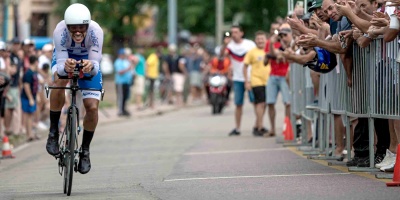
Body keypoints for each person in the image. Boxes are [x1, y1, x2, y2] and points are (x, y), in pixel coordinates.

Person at [45, 3, 104, 175]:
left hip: (89, 59)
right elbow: (61, 65)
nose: (77, 31)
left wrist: (89, 66)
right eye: (73, 28)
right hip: (66, 57)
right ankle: (53, 132)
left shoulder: (96, 31)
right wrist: (67, 67)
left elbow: (95, 64)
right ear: (67, 26)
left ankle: (85, 150)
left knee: (92, 106)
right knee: (59, 82)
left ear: (87, 25)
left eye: (81, 27)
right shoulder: (60, 31)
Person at [220, 25, 256, 136]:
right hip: (237, 78)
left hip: (251, 77)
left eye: (236, 32)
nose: (233, 34)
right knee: (238, 104)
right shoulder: (229, 46)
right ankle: (237, 128)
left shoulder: (249, 44)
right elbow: (221, 56)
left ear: (241, 33)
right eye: (232, 32)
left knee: (256, 102)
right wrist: (225, 44)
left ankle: (258, 125)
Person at [243, 31, 271, 136]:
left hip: (268, 80)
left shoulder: (269, 50)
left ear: (266, 39)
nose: (260, 41)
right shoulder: (252, 52)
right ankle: (260, 126)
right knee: (260, 104)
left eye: (262, 38)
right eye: (258, 39)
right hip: (256, 81)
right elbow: (245, 67)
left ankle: (256, 125)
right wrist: (247, 81)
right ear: (255, 40)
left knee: (265, 104)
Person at [21, 55, 39, 142]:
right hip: (28, 97)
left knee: (31, 115)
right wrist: (30, 98)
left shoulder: (34, 72)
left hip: (33, 96)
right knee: (28, 115)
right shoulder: (28, 73)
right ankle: (29, 134)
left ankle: (31, 133)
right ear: (35, 62)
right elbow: (26, 85)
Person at [114, 48, 133, 116]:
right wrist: (127, 69)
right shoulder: (118, 62)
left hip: (126, 82)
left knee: (126, 96)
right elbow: (120, 72)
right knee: (121, 96)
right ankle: (120, 110)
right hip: (120, 82)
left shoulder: (126, 61)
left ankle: (124, 109)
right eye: (122, 54)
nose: (123, 56)